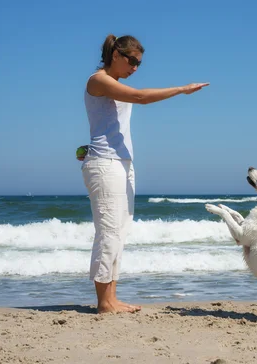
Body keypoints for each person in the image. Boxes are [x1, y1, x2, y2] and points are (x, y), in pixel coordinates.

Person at [81, 34, 209, 314]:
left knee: (121, 232)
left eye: (139, 64)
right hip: (105, 163)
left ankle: (112, 297)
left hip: (122, 163)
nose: (135, 68)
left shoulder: (114, 84)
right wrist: (182, 89)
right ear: (116, 55)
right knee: (109, 233)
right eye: (132, 61)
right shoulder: (97, 80)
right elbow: (140, 97)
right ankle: (104, 302)